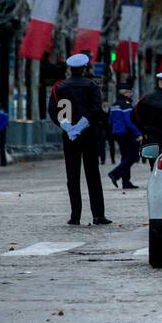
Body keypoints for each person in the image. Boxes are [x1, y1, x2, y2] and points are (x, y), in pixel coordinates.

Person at [50, 53, 110, 226]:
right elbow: (96, 109)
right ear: (85, 68)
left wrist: (69, 128)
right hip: (89, 135)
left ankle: (75, 215)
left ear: (70, 68)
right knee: (93, 175)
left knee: (72, 176)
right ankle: (98, 215)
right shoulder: (91, 86)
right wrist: (83, 125)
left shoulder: (59, 87)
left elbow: (54, 110)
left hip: (69, 137)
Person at [106, 85, 141, 190]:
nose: (131, 95)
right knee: (133, 156)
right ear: (124, 93)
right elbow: (129, 121)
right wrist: (138, 133)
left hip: (117, 133)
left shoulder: (114, 105)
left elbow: (110, 120)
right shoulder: (126, 104)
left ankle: (126, 182)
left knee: (125, 157)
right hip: (126, 133)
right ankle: (115, 174)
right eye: (129, 92)